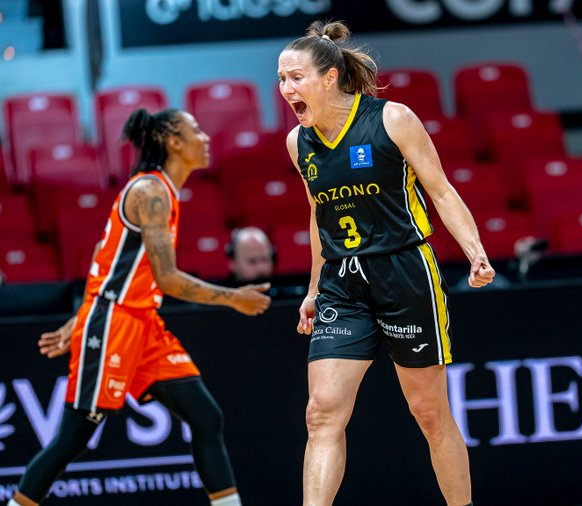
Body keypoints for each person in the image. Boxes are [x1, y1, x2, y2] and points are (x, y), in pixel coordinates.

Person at [7, 108, 271, 506]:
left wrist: (82, 315)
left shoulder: (163, 190)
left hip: (142, 322)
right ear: (173, 142)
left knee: (206, 417)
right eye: (195, 130)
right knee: (71, 439)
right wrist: (234, 297)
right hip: (114, 324)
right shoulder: (149, 192)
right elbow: (167, 278)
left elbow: (105, 257)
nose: (205, 137)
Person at [278, 20, 494, 506]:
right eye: (281, 79)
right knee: (321, 413)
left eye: (295, 78)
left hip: (404, 272)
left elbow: (439, 189)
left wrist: (475, 251)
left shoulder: (391, 119)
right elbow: (320, 215)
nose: (286, 89)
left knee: (429, 412)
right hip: (342, 281)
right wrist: (313, 289)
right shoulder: (299, 143)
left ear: (328, 78)